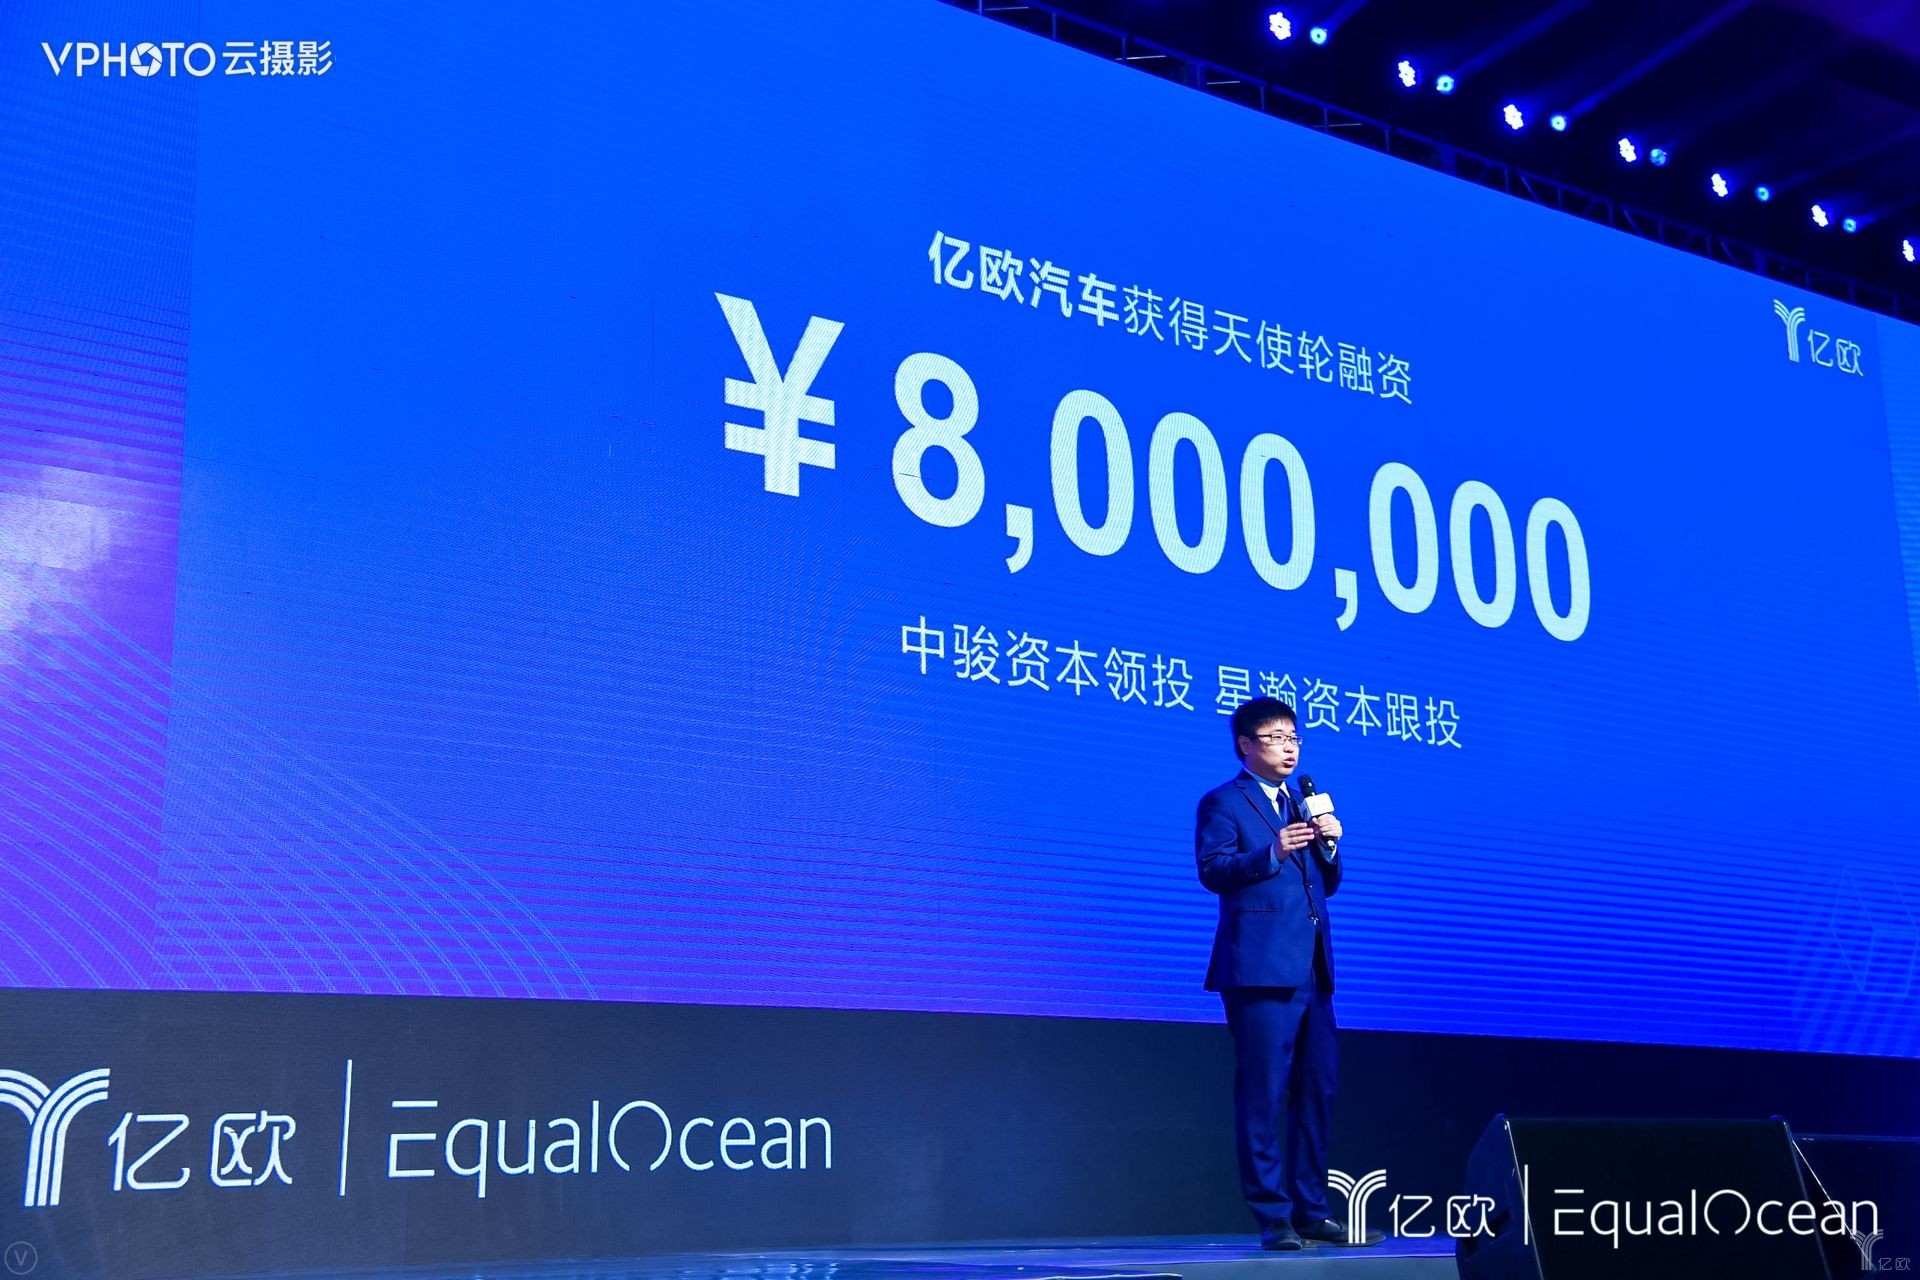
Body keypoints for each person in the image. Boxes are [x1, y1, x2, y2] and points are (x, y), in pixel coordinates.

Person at [1195, 696, 1373, 1251]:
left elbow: (1327, 884)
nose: (1289, 747)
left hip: (1313, 969)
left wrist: (1330, 846)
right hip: (1259, 969)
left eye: (1294, 737)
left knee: (1318, 1089)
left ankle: (1312, 1210)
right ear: (1246, 745)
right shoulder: (1224, 801)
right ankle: (1273, 1216)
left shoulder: (1302, 802)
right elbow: (1213, 870)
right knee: (1264, 1093)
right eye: (1276, 737)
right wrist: (1272, 851)